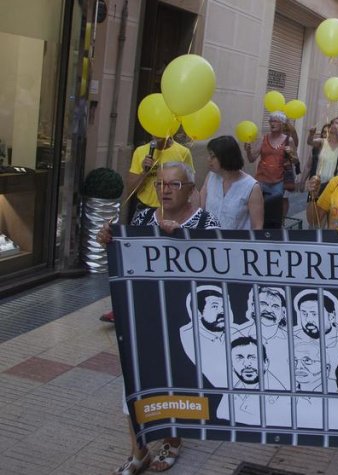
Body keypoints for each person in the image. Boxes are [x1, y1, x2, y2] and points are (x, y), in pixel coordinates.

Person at [97, 161, 220, 475]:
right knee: (135, 381)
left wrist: (180, 237)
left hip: (183, 318)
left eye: (174, 184)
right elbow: (126, 254)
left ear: (191, 190)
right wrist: (109, 238)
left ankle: (172, 440)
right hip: (144, 314)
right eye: (161, 184)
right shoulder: (141, 217)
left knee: (175, 381)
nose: (165, 190)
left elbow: (219, 263)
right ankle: (138, 453)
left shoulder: (205, 220)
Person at [244, 111, 299, 228]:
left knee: (274, 212)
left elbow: (295, 160)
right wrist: (248, 150)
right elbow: (252, 159)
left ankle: (273, 234)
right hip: (261, 180)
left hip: (277, 182)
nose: (272, 124)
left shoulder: (288, 140)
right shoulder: (264, 139)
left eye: (275, 121)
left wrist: (291, 154)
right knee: (258, 209)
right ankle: (258, 231)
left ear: (282, 124)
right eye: (271, 121)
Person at [199, 135, 263, 230]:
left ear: (225, 157)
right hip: (209, 241)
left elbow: (257, 227)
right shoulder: (210, 177)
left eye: (212, 156)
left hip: (235, 243)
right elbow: (199, 209)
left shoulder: (251, 187)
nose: (208, 159)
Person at [123, 136, 193, 222]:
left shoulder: (183, 152)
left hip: (173, 211)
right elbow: (130, 189)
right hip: (144, 209)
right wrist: (144, 173)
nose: (157, 134)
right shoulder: (140, 151)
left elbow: (190, 186)